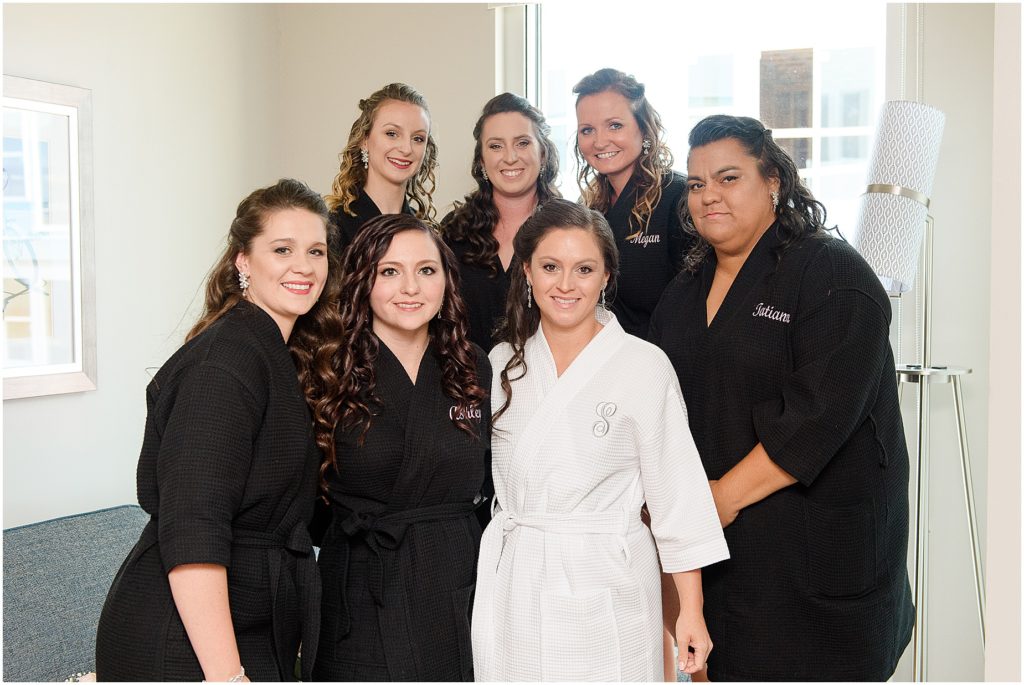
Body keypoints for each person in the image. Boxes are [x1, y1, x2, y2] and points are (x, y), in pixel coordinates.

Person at [648, 114, 915, 681]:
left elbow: (816, 417)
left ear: (772, 181)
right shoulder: (682, 294)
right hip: (726, 564)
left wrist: (718, 500)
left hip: (818, 562)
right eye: (696, 185)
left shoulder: (833, 277)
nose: (708, 196)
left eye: (728, 178)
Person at [471, 198, 729, 681]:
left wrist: (690, 611)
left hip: (609, 574)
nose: (565, 285)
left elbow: (677, 496)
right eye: (550, 267)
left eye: (584, 269)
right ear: (526, 271)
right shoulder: (502, 362)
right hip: (518, 576)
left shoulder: (644, 365)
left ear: (607, 276)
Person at [95, 179, 343, 682]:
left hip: (244, 621)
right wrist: (227, 677)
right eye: (282, 249)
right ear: (243, 261)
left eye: (316, 251)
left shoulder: (272, 353)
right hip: (186, 640)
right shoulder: (226, 362)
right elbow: (193, 528)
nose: (304, 266)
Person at [309, 214, 492, 681]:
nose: (410, 287)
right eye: (389, 271)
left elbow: (497, 483)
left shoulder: (473, 367)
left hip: (455, 582)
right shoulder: (326, 369)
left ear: (447, 280)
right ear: (362, 281)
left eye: (426, 270)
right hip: (361, 584)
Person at [573, 67, 690, 340]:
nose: (600, 141)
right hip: (603, 359)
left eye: (615, 125)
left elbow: (693, 305)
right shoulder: (588, 209)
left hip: (664, 361)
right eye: (587, 130)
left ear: (643, 128)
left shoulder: (679, 196)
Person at [440, 92, 560, 351]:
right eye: (496, 146)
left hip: (550, 384)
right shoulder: (454, 231)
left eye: (522, 143)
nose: (510, 157)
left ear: (543, 154)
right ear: (482, 160)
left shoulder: (568, 228)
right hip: (467, 383)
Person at [325, 83, 438, 256]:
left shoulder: (429, 236)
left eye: (418, 138)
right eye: (392, 134)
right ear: (364, 140)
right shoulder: (334, 229)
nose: (406, 148)